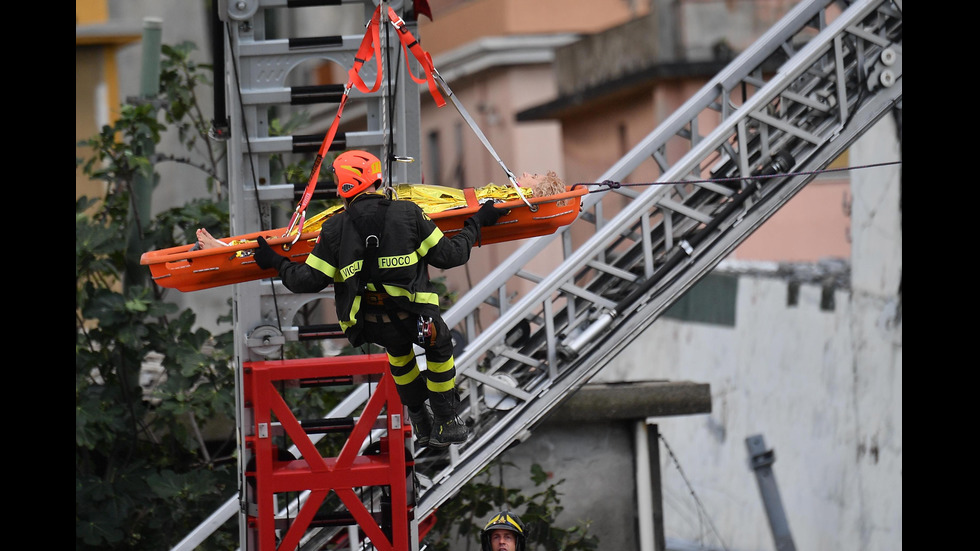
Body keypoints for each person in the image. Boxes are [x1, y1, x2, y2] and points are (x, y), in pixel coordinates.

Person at [251, 149, 505, 448]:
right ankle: (446, 421)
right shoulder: (407, 213)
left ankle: (421, 422)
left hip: (369, 323)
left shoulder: (333, 229)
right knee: (438, 346)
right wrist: (478, 221)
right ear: (377, 180)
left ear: (342, 188)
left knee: (398, 352)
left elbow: (306, 281)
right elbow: (450, 256)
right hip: (415, 317)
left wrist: (274, 260)